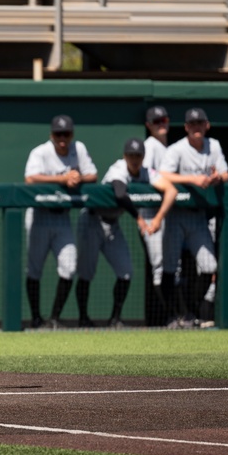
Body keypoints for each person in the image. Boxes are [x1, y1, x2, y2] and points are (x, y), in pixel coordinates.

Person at [75, 138, 177, 328]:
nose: (134, 159)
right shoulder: (119, 168)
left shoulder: (146, 171)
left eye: (138, 155)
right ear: (125, 156)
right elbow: (120, 194)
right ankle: (83, 318)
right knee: (86, 273)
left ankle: (115, 319)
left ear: (143, 156)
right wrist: (139, 218)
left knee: (126, 272)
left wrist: (158, 218)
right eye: (131, 155)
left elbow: (171, 190)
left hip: (113, 224)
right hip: (92, 220)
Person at [24, 115, 98, 329]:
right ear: (51, 135)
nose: (62, 138)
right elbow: (30, 178)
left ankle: (54, 318)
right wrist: (63, 178)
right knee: (34, 269)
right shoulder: (41, 152)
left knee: (69, 265)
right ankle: (36, 319)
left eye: (66, 133)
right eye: (58, 134)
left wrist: (77, 177)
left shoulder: (79, 149)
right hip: (40, 215)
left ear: (72, 134)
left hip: (62, 217)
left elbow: (92, 175)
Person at [158, 107, 228, 328]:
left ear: (206, 125)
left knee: (209, 266)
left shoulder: (214, 146)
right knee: (170, 267)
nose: (196, 127)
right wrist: (193, 179)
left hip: (199, 216)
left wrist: (217, 177)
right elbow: (163, 174)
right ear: (186, 127)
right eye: (192, 124)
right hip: (176, 215)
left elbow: (227, 174)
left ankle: (190, 310)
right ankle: (170, 316)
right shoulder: (177, 149)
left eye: (200, 123)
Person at [141, 105, 171, 321]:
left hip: (168, 211)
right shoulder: (150, 145)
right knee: (159, 264)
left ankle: (172, 316)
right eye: (156, 121)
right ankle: (161, 317)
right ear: (148, 125)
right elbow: (145, 177)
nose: (161, 124)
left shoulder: (166, 147)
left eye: (164, 120)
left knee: (171, 265)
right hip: (151, 213)